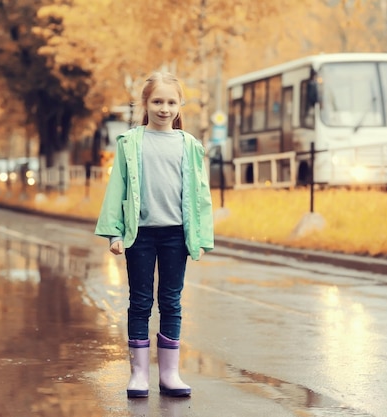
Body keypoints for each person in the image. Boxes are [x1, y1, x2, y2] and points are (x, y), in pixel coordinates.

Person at [94, 72, 214, 398]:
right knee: (141, 300)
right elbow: (116, 188)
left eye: (171, 102)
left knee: (171, 302)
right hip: (140, 234)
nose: (164, 108)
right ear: (145, 104)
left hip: (176, 234)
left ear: (180, 105)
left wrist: (201, 237)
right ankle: (139, 375)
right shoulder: (131, 142)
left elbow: (200, 194)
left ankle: (170, 374)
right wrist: (113, 233)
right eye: (157, 101)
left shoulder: (189, 145)